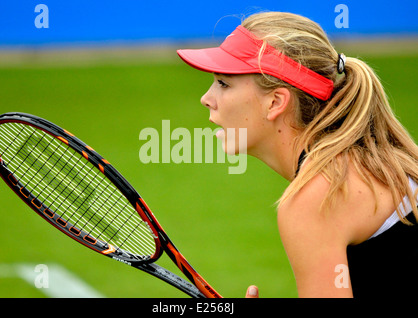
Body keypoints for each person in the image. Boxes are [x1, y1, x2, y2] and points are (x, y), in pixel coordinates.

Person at [177, 11, 418, 298]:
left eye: (224, 83)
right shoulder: (386, 159)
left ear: (275, 102)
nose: (207, 98)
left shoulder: (315, 199)